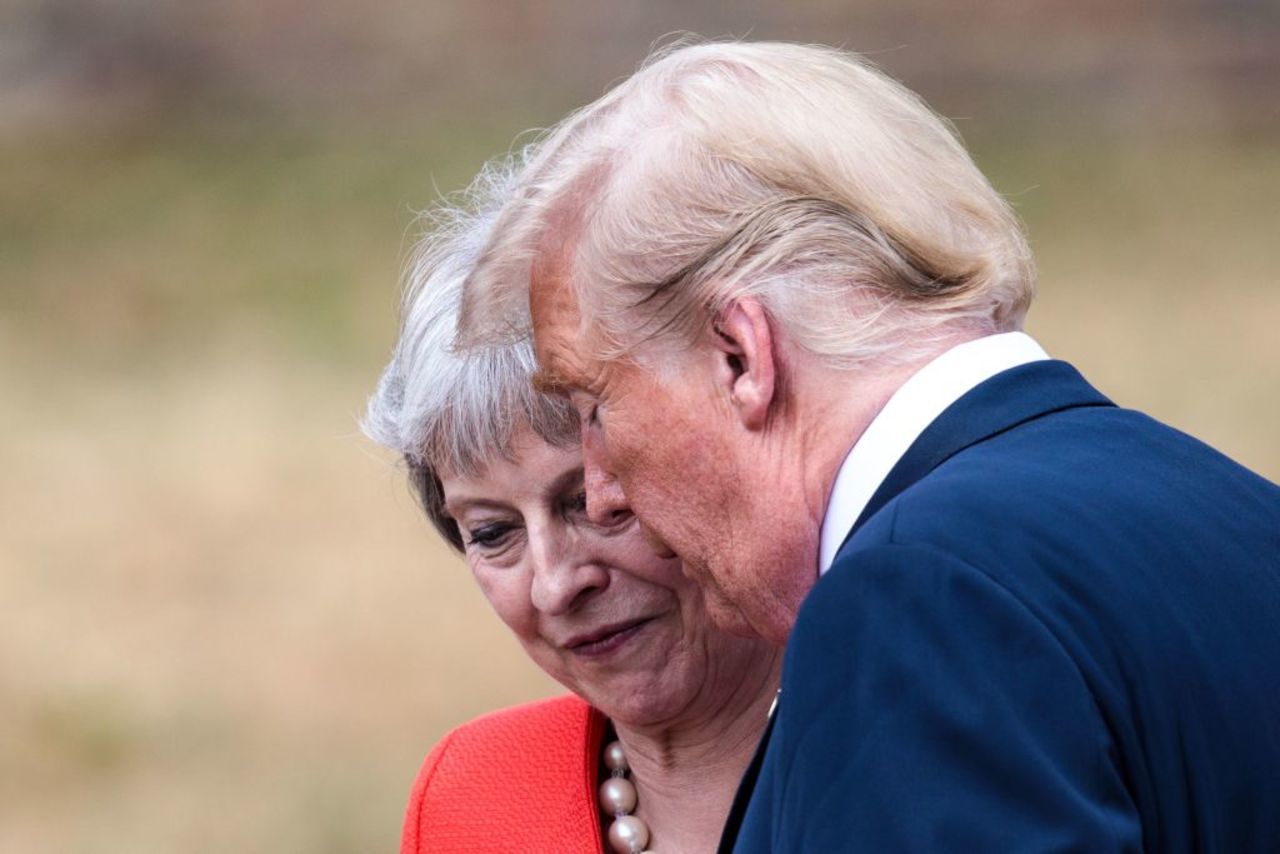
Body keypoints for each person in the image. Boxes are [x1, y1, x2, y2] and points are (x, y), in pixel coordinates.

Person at [455, 40, 1280, 852]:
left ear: (741, 356)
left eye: (595, 405)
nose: (604, 491)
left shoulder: (912, 603)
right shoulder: (1231, 507)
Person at [363, 160, 782, 854]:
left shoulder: (907, 752)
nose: (557, 585)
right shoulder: (470, 798)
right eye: (493, 532)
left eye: (591, 502)